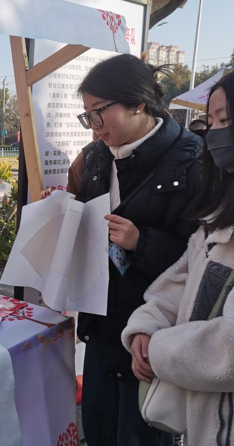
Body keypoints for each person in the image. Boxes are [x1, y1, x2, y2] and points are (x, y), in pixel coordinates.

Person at [75, 54, 203, 446]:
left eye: (99, 112)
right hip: (101, 323)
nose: (94, 125)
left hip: (151, 333)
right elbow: (87, 218)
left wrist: (140, 242)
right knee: (98, 428)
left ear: (138, 103)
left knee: (142, 431)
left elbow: (201, 262)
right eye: (87, 116)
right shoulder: (97, 156)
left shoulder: (192, 161)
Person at [123, 71, 234, 446]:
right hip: (205, 421)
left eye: (225, 120)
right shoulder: (219, 210)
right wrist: (146, 325)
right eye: (212, 122)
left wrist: (159, 349)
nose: (215, 134)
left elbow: (229, 346)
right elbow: (184, 278)